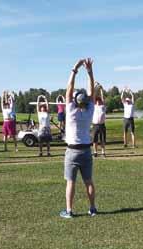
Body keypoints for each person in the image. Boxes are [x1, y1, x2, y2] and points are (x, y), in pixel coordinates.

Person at [60, 58, 97, 219]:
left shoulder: (71, 111)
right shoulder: (89, 111)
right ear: (86, 101)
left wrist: (75, 69)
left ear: (75, 100)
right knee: (88, 181)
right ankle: (93, 209)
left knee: (71, 182)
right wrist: (89, 72)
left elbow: (69, 88)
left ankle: (69, 211)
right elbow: (92, 91)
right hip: (86, 151)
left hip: (72, 151)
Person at [92, 82, 106, 157]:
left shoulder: (103, 106)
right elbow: (93, 96)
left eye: (99, 100)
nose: (98, 101)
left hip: (102, 125)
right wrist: (94, 87)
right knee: (95, 140)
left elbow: (103, 97)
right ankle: (95, 152)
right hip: (95, 125)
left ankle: (103, 152)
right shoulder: (94, 106)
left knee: (102, 140)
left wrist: (101, 89)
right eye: (97, 100)